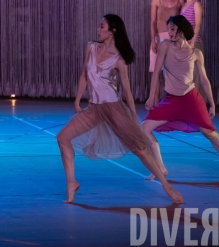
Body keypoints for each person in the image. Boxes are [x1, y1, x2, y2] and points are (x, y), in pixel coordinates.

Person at [56, 14, 183, 204]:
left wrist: (132, 114)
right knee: (62, 137)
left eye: (102, 27)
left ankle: (167, 186)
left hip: (113, 108)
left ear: (112, 31)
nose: (98, 30)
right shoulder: (91, 48)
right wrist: (76, 101)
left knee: (139, 149)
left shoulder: (119, 60)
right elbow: (84, 75)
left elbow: (127, 89)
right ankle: (71, 182)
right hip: (94, 108)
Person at [141, 15, 219, 180]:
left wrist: (212, 103)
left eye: (172, 28)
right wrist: (151, 97)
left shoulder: (195, 52)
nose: (169, 32)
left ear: (181, 29)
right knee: (144, 129)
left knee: (210, 133)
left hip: (191, 99)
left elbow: (203, 79)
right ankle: (160, 168)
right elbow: (156, 72)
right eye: (169, 28)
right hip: (171, 100)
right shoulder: (165, 45)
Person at [149, 0, 184, 100]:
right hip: (159, 37)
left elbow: (183, 21)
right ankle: (154, 104)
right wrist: (153, 40)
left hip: (174, 39)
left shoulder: (180, 0)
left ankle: (172, 104)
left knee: (172, 73)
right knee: (156, 73)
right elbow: (153, 21)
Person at [180, 0, 206, 99]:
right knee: (187, 76)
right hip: (184, 44)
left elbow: (198, 24)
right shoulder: (184, 5)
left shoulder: (196, 4)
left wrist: (193, 43)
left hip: (194, 44)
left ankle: (198, 103)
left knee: (196, 75)